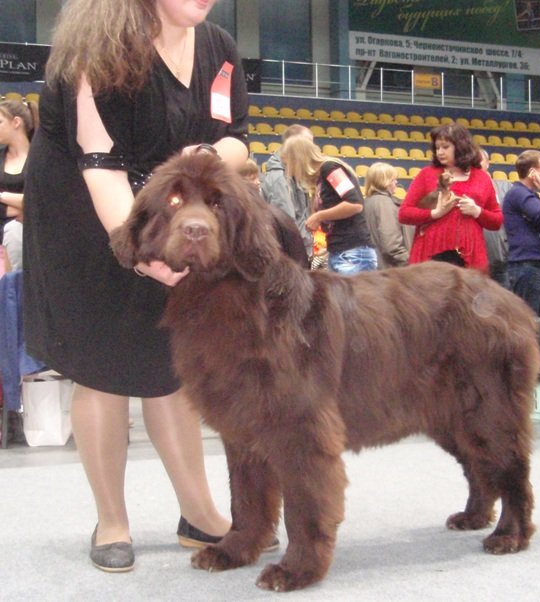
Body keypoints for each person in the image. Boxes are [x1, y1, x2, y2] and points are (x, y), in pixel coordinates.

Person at [22, 0, 248, 572]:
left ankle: (200, 515)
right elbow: (102, 166)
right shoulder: (98, 51)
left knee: (169, 366)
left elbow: (239, 137)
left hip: (163, 214)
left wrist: (211, 152)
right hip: (88, 219)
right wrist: (142, 253)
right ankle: (112, 520)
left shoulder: (217, 47)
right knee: (104, 369)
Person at [398, 122, 502, 271]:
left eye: (445, 147)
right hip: (431, 255)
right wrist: (435, 214)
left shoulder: (482, 178)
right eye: (437, 147)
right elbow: (404, 214)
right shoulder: (426, 174)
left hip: (470, 257)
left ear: (461, 147)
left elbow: (497, 221)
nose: (440, 152)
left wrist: (477, 212)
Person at [280, 136, 377, 274]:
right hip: (339, 251)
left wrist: (319, 216)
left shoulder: (329, 168)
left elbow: (354, 204)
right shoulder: (319, 179)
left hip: (352, 254)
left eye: (290, 164)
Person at [502, 150, 540, 317]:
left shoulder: (534, 197)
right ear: (532, 172)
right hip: (527, 264)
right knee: (529, 318)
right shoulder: (518, 193)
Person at [260, 124, 314, 260]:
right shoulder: (279, 178)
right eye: (307, 144)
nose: (311, 149)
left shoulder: (295, 173)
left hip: (299, 249)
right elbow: (286, 224)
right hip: (290, 255)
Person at [0, 98, 37, 258]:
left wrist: (3, 196)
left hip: (30, 234)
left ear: (16, 122)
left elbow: (43, 202)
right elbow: (33, 203)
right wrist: (24, 204)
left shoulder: (40, 159)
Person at [362, 161, 413, 268]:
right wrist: (410, 265)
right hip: (389, 271)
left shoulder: (366, 203)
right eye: (393, 179)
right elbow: (391, 244)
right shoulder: (384, 203)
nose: (396, 182)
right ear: (386, 181)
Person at [479, 148, 512, 287]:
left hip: (503, 261)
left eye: (479, 160)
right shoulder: (461, 188)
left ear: (488, 163)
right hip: (475, 262)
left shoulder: (506, 187)